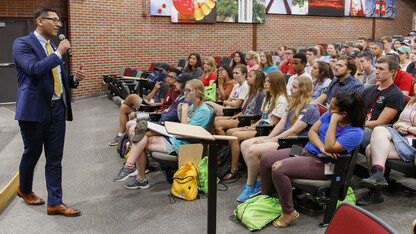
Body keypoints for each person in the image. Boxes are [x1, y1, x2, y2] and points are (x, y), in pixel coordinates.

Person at [12, 8, 85, 216]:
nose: (58, 24)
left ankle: (55, 202)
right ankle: (24, 189)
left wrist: (74, 79)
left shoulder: (52, 46)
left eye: (59, 21)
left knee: (55, 158)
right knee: (32, 154)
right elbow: (34, 69)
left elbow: (56, 76)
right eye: (53, 20)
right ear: (39, 20)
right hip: (34, 111)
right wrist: (59, 53)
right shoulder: (22, 44)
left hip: (57, 109)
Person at [259, 91, 366, 228]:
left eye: (332, 108)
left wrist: (333, 121)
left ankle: (288, 213)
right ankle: (266, 198)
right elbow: (312, 132)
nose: (328, 109)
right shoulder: (329, 114)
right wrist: (321, 146)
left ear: (343, 114)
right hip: (308, 151)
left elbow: (330, 146)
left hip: (323, 163)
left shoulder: (355, 133)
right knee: (266, 159)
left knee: (278, 168)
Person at [114, 79, 211, 189]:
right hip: (175, 137)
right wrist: (180, 111)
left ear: (198, 92)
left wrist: (183, 111)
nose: (185, 93)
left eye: (189, 90)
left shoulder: (204, 110)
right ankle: (132, 168)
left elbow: (186, 130)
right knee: (140, 136)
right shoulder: (194, 106)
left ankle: (135, 172)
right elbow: (183, 122)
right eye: (185, 90)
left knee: (139, 142)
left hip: (182, 144)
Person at [238, 76, 320, 201]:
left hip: (294, 143)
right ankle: (259, 180)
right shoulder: (294, 103)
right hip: (283, 138)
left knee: (253, 150)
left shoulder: (310, 108)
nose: (291, 89)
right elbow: (281, 125)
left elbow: (294, 130)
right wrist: (268, 138)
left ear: (304, 90)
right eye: (292, 86)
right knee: (244, 144)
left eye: (295, 87)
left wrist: (271, 140)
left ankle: (252, 185)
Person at [223, 71, 288, 181]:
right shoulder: (269, 97)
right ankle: (242, 168)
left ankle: (235, 170)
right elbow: (263, 118)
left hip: (267, 130)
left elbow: (273, 124)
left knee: (235, 136)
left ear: (276, 83)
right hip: (261, 126)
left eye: (268, 82)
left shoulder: (281, 100)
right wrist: (251, 127)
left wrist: (255, 128)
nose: (266, 84)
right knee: (230, 133)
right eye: (266, 81)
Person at [357, 88, 416, 206]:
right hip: (401, 137)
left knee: (370, 149)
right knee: (372, 145)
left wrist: (408, 128)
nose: (414, 86)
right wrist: (398, 126)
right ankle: (377, 178)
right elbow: (396, 123)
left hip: (412, 142)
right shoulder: (412, 101)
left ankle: (375, 189)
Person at [109, 68, 180, 146]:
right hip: (150, 105)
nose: (168, 79)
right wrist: (155, 89)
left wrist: (150, 105)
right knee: (124, 107)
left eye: (172, 77)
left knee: (133, 97)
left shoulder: (169, 89)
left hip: (153, 109)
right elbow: (148, 98)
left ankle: (123, 101)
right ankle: (120, 136)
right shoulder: (163, 86)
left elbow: (164, 106)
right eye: (168, 76)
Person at [361, 55, 405, 149]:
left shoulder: (396, 95)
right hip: (363, 125)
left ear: (392, 72)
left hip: (376, 131)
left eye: (381, 69)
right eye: (376, 68)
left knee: (352, 133)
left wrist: (356, 123)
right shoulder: (369, 90)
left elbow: (379, 122)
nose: (376, 72)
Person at [213, 70, 265, 135]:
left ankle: (225, 144)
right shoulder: (251, 93)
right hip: (242, 117)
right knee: (213, 120)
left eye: (250, 76)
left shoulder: (261, 95)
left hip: (246, 121)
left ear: (258, 80)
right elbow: (244, 111)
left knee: (218, 124)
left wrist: (239, 119)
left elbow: (255, 115)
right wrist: (234, 117)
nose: (247, 78)